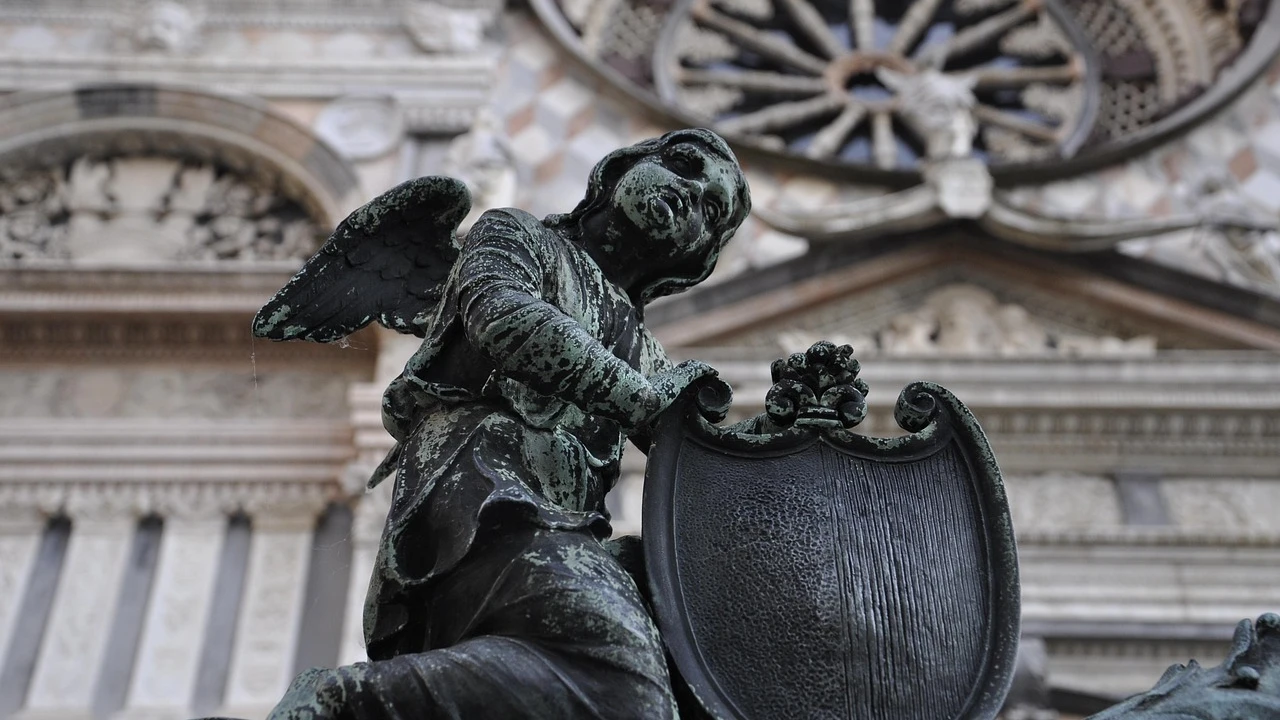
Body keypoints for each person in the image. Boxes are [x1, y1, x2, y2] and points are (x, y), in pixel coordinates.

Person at [267, 128, 751, 720]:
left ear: (695, 256)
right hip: (482, 483)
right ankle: (349, 701)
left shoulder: (640, 343)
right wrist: (643, 403)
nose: (691, 195)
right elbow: (506, 318)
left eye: (711, 209)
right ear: (620, 168)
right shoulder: (517, 236)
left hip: (569, 525)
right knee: (621, 676)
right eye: (682, 166)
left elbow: (696, 453)